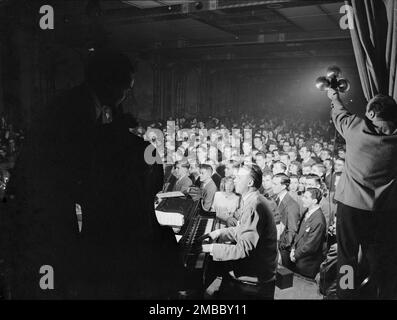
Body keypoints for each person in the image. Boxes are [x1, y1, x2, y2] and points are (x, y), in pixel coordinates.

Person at [328, 89, 397, 299]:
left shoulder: (354, 128)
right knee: (380, 256)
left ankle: (346, 294)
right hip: (384, 211)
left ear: (373, 114)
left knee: (346, 255)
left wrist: (334, 97)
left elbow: (339, 111)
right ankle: (379, 293)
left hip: (351, 207)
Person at [202, 164, 278, 299]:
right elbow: (241, 229)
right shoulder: (253, 199)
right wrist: (219, 233)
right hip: (260, 261)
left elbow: (242, 250)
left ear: (250, 182)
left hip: (257, 270)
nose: (234, 180)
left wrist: (208, 247)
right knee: (214, 260)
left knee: (209, 261)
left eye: (238, 177)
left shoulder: (254, 205)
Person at [290, 188, 327, 278]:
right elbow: (299, 233)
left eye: (306, 197)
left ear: (314, 201)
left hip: (307, 266)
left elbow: (311, 245)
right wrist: (293, 249)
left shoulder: (318, 220)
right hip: (299, 261)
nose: (302, 199)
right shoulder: (307, 212)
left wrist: (295, 255)